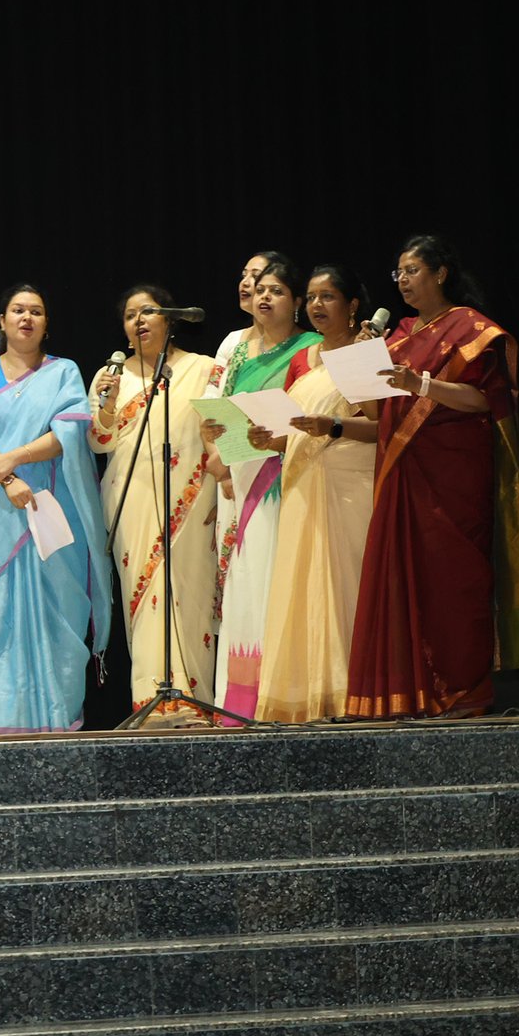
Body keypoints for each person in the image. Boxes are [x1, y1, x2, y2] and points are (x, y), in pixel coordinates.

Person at [346, 235, 519, 717]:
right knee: (404, 582)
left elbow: (484, 400)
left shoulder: (471, 329)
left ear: (441, 273)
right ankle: (410, 694)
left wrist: (421, 383)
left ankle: (463, 691)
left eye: (412, 270)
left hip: (453, 476)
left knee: (453, 582)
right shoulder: (398, 336)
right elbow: (375, 412)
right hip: (402, 474)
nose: (403, 281)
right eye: (398, 273)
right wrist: (362, 364)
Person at [0, 284, 111, 733]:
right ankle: (2, 721)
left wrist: (14, 459)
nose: (26, 318)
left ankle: (58, 719)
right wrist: (7, 478)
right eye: (17, 310)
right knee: (1, 609)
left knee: (59, 608)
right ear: (2, 321)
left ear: (46, 324)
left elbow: (67, 434)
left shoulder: (63, 371)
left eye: (36, 312)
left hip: (51, 504)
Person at [249, 265, 378, 722]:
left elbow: (383, 427)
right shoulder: (304, 360)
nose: (317, 306)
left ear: (352, 305)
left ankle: (354, 698)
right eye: (312, 297)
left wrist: (333, 425)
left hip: (347, 488)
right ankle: (311, 701)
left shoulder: (364, 352)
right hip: (303, 488)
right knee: (304, 591)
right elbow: (298, 432)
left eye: (328, 297)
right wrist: (269, 440)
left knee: (344, 587)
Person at [89, 285, 221, 718]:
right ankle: (153, 705)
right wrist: (107, 401)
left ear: (170, 319)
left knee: (190, 597)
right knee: (146, 603)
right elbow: (99, 440)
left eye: (147, 312)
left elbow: (220, 430)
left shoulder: (202, 368)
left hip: (193, 501)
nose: (139, 321)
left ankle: (196, 705)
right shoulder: (112, 375)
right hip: (133, 503)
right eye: (130, 315)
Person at [202, 258, 321, 723]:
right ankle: (242, 706)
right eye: (260, 289)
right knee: (247, 586)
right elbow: (222, 415)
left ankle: (284, 699)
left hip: (289, 479)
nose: (265, 296)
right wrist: (219, 439)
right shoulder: (239, 353)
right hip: (242, 478)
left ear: (297, 302)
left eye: (277, 290)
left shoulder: (311, 349)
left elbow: (313, 412)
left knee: (278, 582)